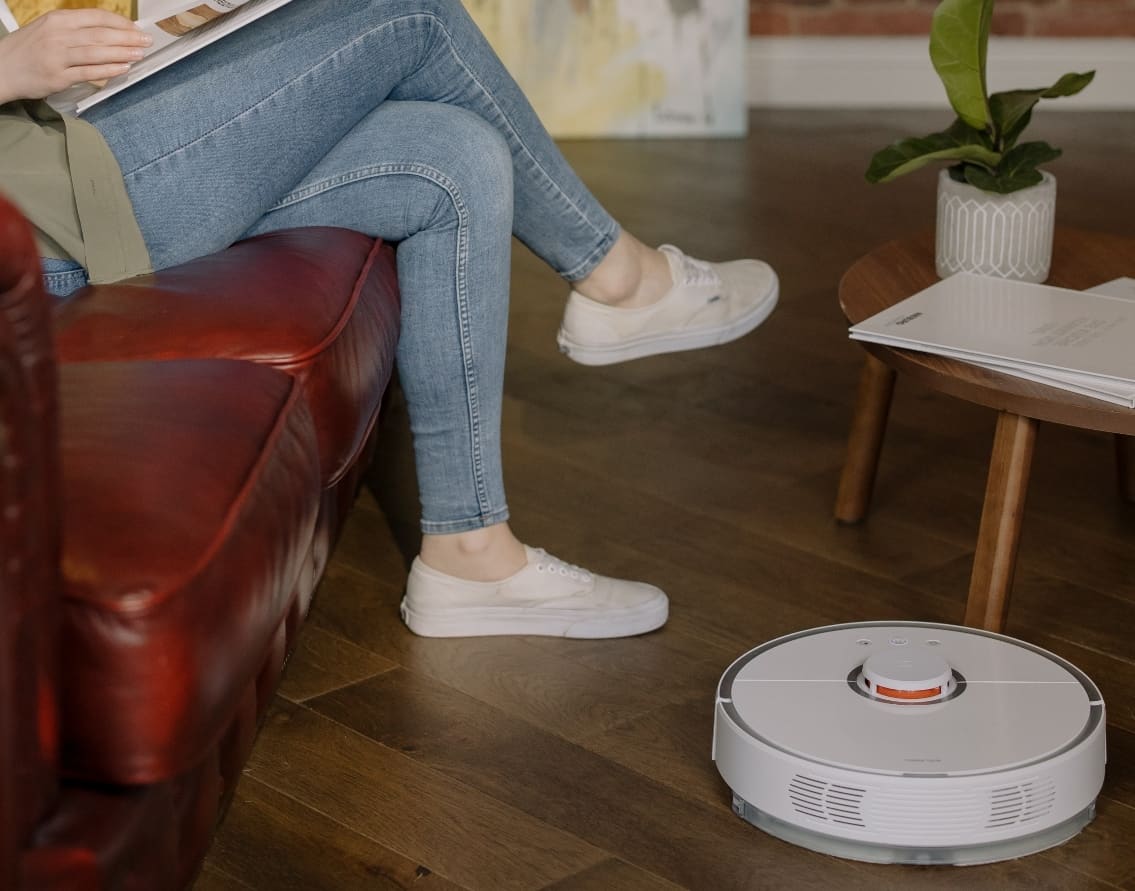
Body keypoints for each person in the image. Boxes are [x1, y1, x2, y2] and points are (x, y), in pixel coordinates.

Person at [0, 0, 778, 639]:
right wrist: (12, 65)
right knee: (409, 10)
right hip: (56, 216)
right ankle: (623, 279)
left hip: (77, 133)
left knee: (455, 156)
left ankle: (468, 550)